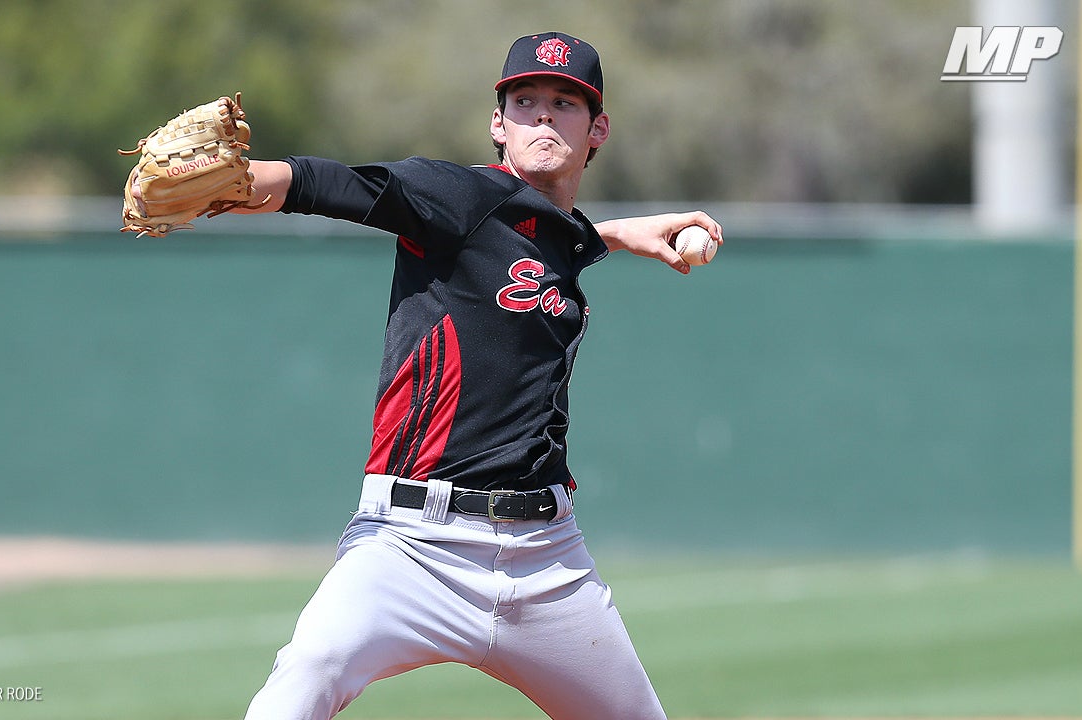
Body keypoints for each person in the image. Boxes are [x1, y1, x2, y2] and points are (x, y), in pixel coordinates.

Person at [227, 31, 723, 720]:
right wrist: (240, 183)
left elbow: (541, 244)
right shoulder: (455, 195)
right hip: (411, 548)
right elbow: (333, 185)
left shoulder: (562, 238)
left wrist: (609, 234)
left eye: (563, 103)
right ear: (498, 123)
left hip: (547, 560)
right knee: (306, 676)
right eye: (525, 101)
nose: (542, 116)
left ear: (597, 127)